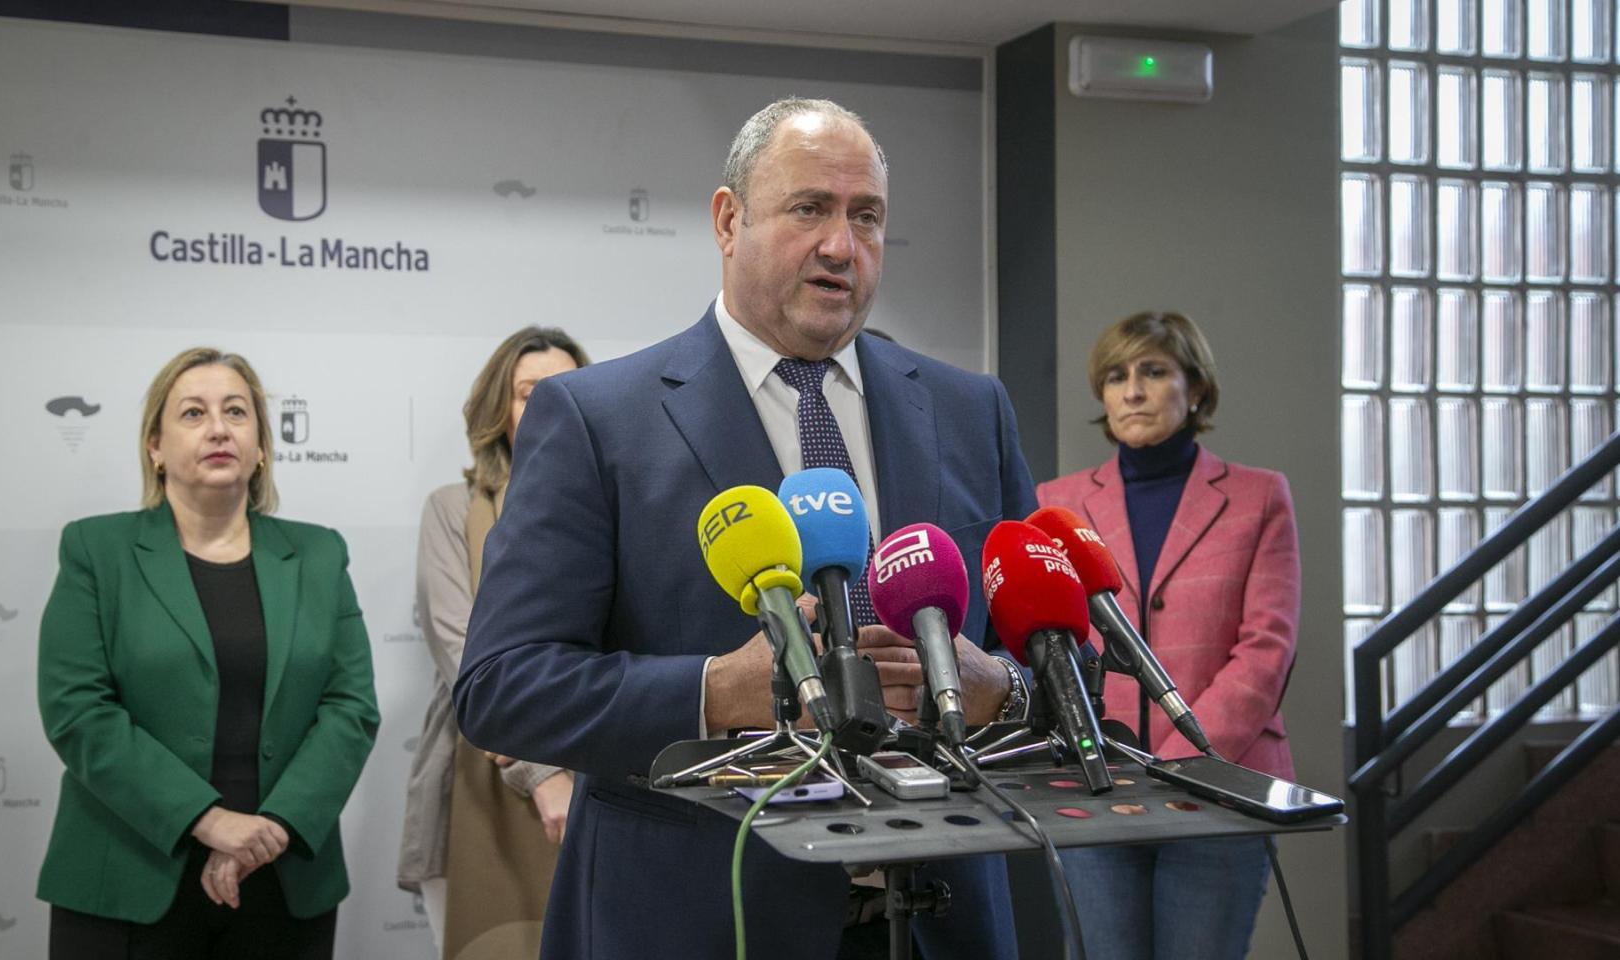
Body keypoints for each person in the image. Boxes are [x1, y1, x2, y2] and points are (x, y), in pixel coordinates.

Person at [453, 97, 1033, 959]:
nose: (842, 245)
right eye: (810, 208)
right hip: (699, 921)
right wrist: (716, 690)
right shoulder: (597, 419)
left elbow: (1069, 662)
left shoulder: (969, 409)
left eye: (865, 216)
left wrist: (1001, 691)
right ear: (730, 221)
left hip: (941, 920)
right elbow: (502, 687)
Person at [36, 347, 379, 959]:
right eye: (193, 413)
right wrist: (211, 820)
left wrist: (272, 829)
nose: (218, 428)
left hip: (283, 876)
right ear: (156, 447)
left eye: (236, 412)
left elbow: (349, 708)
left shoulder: (320, 555)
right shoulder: (97, 550)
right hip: (126, 880)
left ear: (262, 446)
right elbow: (78, 710)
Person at [1034, 311, 1300, 960]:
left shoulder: (1259, 496)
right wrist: (1117, 764)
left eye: (1153, 372)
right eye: (1117, 376)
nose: (1132, 391)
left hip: (1222, 785)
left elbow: (1268, 645)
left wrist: (1184, 761)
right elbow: (1051, 650)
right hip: (1098, 787)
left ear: (1197, 389)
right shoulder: (1056, 504)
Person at [397, 326, 590, 960]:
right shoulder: (452, 510)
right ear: (496, 411)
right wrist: (542, 778)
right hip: (481, 783)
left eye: (564, 389)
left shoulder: (615, 507)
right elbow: (464, 660)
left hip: (598, 780)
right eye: (529, 392)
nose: (547, 405)